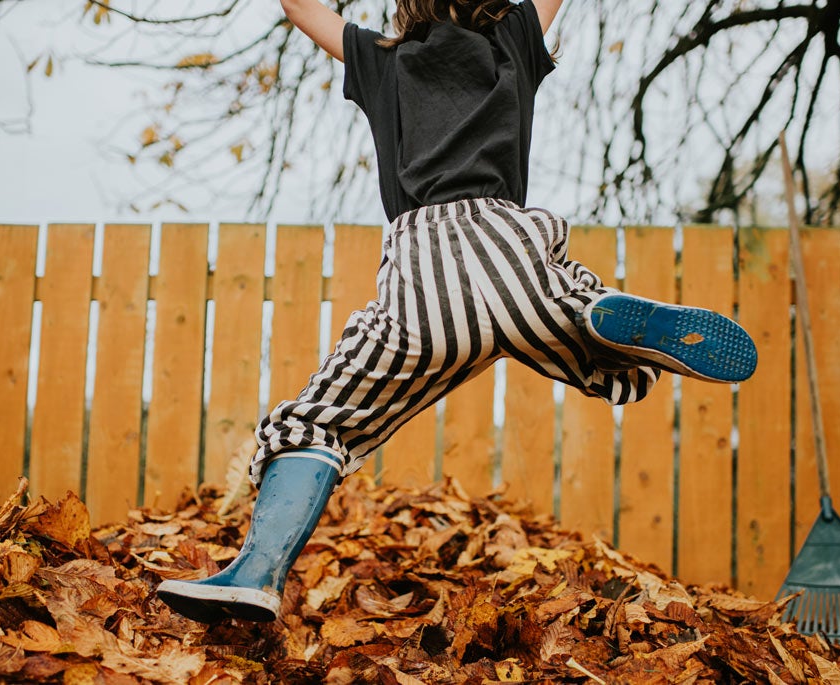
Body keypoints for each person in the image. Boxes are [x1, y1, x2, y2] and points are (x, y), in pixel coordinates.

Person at [157, 0, 757, 624]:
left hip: (422, 278)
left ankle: (257, 573)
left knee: (314, 426)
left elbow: (298, 5)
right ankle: (593, 310)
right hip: (511, 254)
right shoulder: (514, 38)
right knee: (589, 331)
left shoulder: (379, 60)